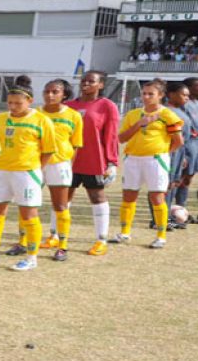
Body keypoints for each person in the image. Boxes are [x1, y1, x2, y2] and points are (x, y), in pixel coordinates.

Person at [0, 76, 56, 271]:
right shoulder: (0, 120)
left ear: (29, 101)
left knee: (29, 215)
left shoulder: (42, 120)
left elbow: (48, 150)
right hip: (0, 171)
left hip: (26, 173)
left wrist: (34, 169)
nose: (13, 106)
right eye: (10, 102)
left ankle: (31, 257)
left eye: (18, 103)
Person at [111, 79, 183, 248]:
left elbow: (178, 141)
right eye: (144, 93)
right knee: (129, 196)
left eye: (151, 94)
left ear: (161, 95)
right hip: (132, 159)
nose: (146, 96)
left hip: (155, 160)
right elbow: (121, 139)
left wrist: (163, 153)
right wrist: (139, 124)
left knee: (157, 197)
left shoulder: (168, 115)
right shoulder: (133, 114)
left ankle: (161, 236)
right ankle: (124, 233)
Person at [64, 70, 119, 256]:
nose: (86, 84)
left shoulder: (107, 106)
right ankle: (56, 235)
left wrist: (111, 162)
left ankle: (101, 240)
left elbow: (111, 135)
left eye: (91, 81)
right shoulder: (68, 106)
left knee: (96, 197)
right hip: (69, 160)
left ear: (101, 85)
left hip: (94, 160)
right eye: (83, 80)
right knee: (63, 198)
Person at [36, 79, 83, 261]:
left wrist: (67, 165)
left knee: (60, 205)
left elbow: (76, 145)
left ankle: (62, 246)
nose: (50, 95)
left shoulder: (73, 116)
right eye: (47, 91)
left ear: (64, 94)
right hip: (35, 164)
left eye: (55, 92)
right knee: (29, 205)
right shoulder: (35, 114)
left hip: (59, 164)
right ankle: (24, 241)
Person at [165, 82, 196, 225]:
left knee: (178, 181)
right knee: (168, 183)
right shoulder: (168, 111)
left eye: (187, 95)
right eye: (184, 94)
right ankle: (164, 216)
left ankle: (175, 213)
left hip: (183, 150)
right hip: (172, 150)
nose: (186, 98)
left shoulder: (184, 110)